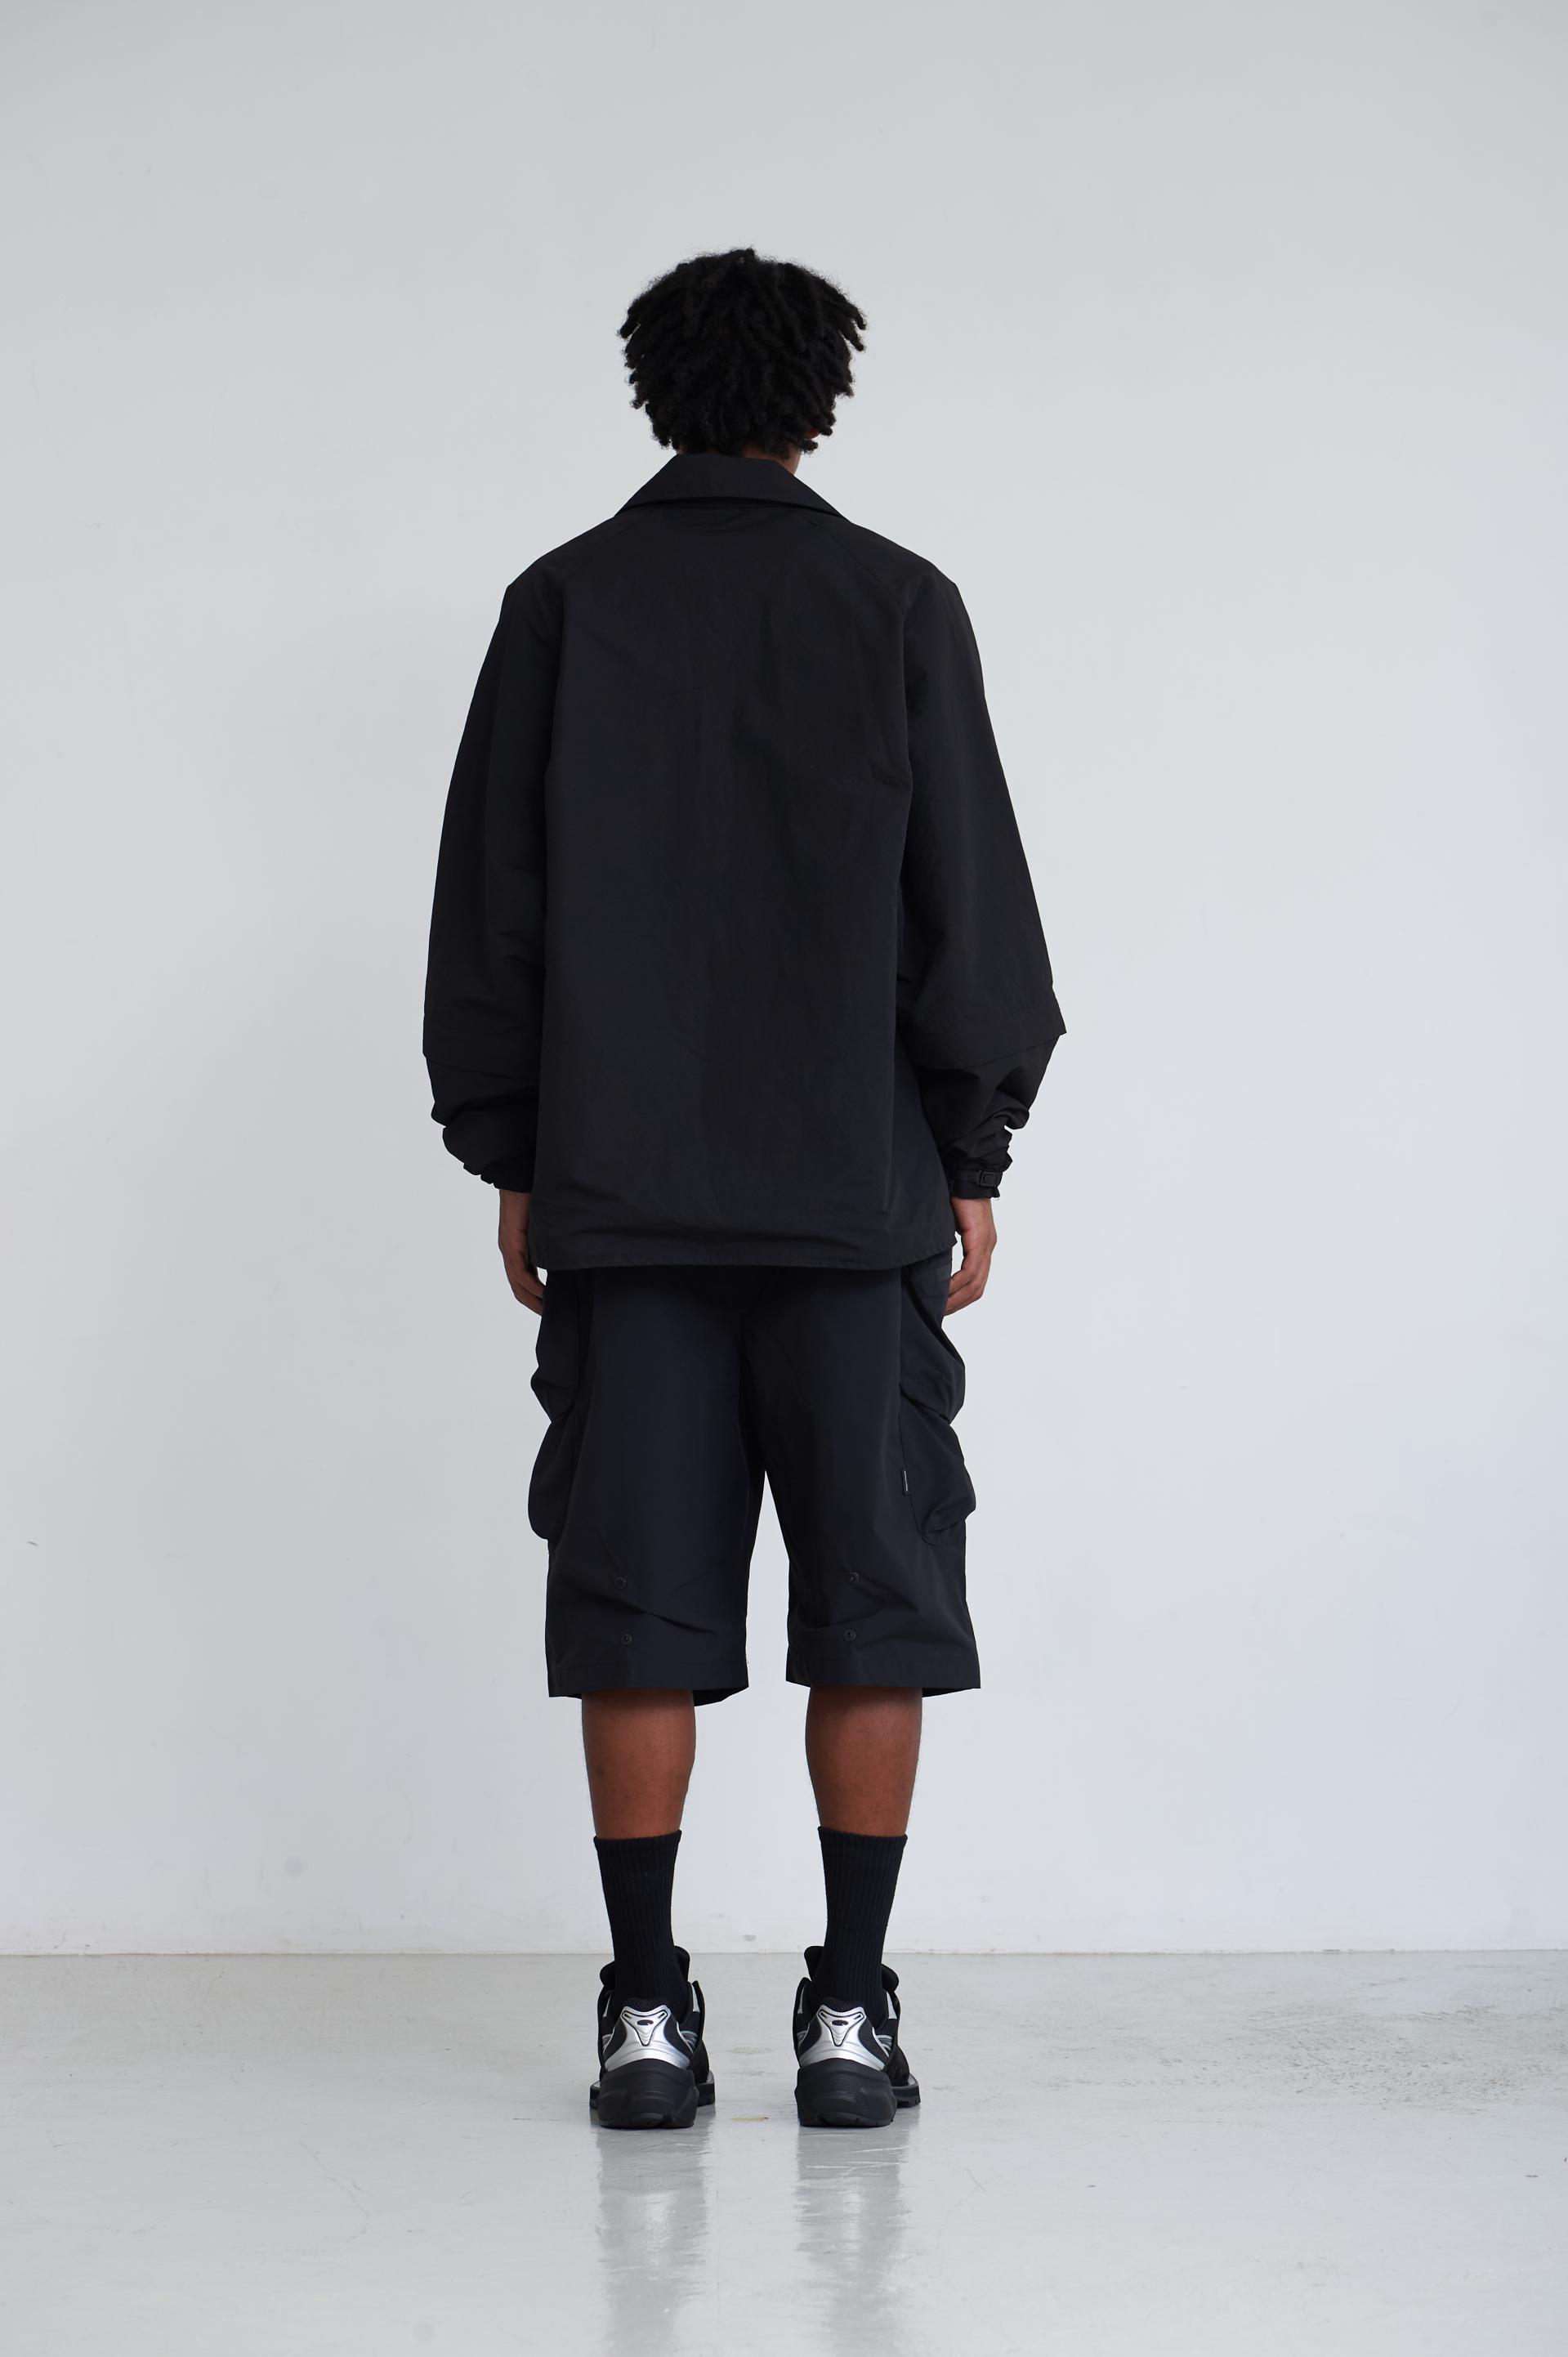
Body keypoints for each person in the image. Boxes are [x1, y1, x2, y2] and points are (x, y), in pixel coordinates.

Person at [423, 246, 1064, 2130]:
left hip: (624, 1202)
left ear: (657, 390)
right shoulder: (897, 602)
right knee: (875, 1598)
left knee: (637, 1604)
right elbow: (971, 913)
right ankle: (850, 2013)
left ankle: (643, 2010)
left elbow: (491, 913)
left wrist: (518, 1150)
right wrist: (969, 1154)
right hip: (854, 1199)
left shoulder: (563, 603)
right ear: (818, 397)